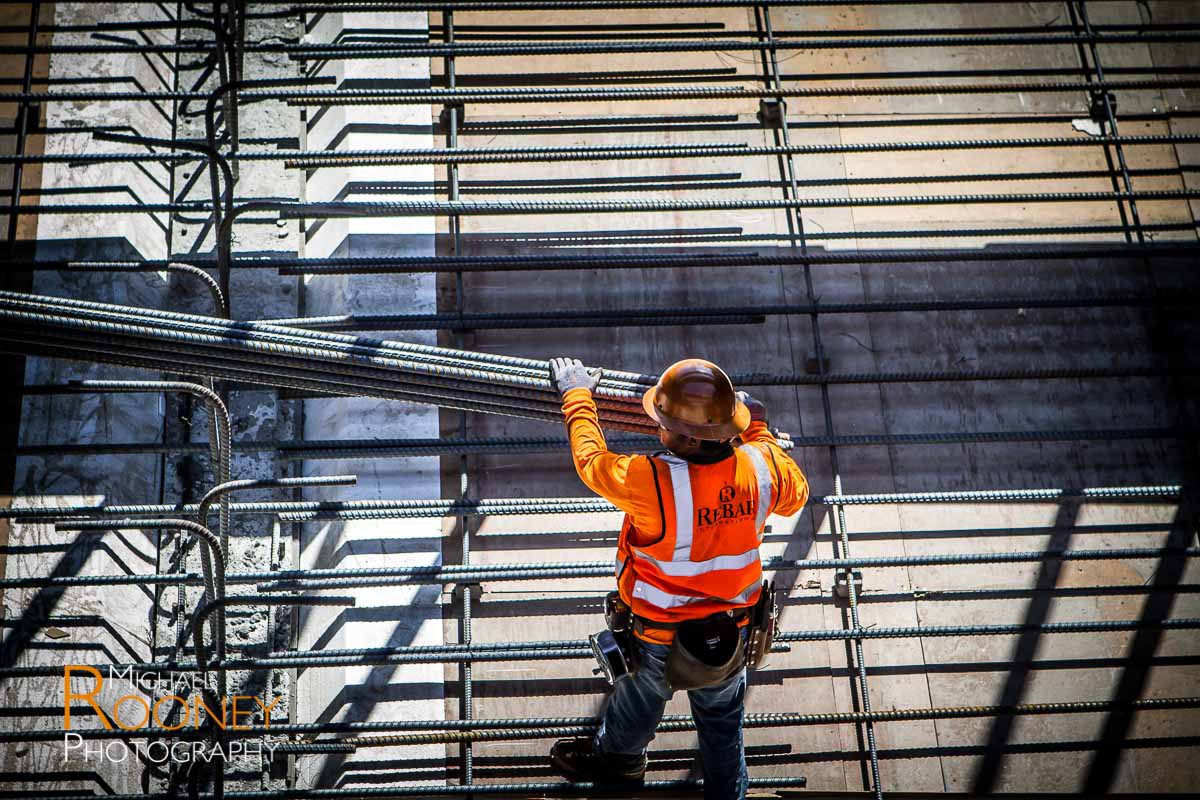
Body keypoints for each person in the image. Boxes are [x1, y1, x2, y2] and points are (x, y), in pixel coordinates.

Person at [546, 356, 809, 799]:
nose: (657, 429)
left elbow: (592, 462)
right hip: (729, 635)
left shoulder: (649, 480)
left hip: (656, 637)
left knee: (636, 708)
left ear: (684, 437)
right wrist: (758, 430)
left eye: (662, 423)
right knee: (724, 729)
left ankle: (621, 770)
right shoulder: (763, 464)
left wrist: (576, 394)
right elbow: (796, 492)